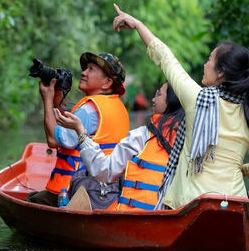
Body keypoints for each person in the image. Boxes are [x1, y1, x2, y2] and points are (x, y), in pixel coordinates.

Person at [112, 4, 249, 210]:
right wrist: (242, 170)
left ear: (220, 72)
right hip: (235, 204)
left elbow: (166, 59)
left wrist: (138, 24)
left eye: (209, 60)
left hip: (191, 204)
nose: (205, 65)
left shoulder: (196, 98)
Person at [54, 82, 185, 210]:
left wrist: (81, 132)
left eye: (159, 94)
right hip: (167, 219)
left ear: (171, 103)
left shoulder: (142, 135)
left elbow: (104, 171)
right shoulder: (189, 139)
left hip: (134, 219)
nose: (153, 98)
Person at [25, 52, 130, 206]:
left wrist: (47, 99)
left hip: (76, 189)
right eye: (85, 68)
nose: (83, 72)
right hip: (107, 190)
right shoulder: (115, 106)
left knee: (31, 200)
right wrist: (57, 96)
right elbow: (66, 124)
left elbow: (53, 141)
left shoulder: (88, 109)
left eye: (91, 69)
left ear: (106, 83)